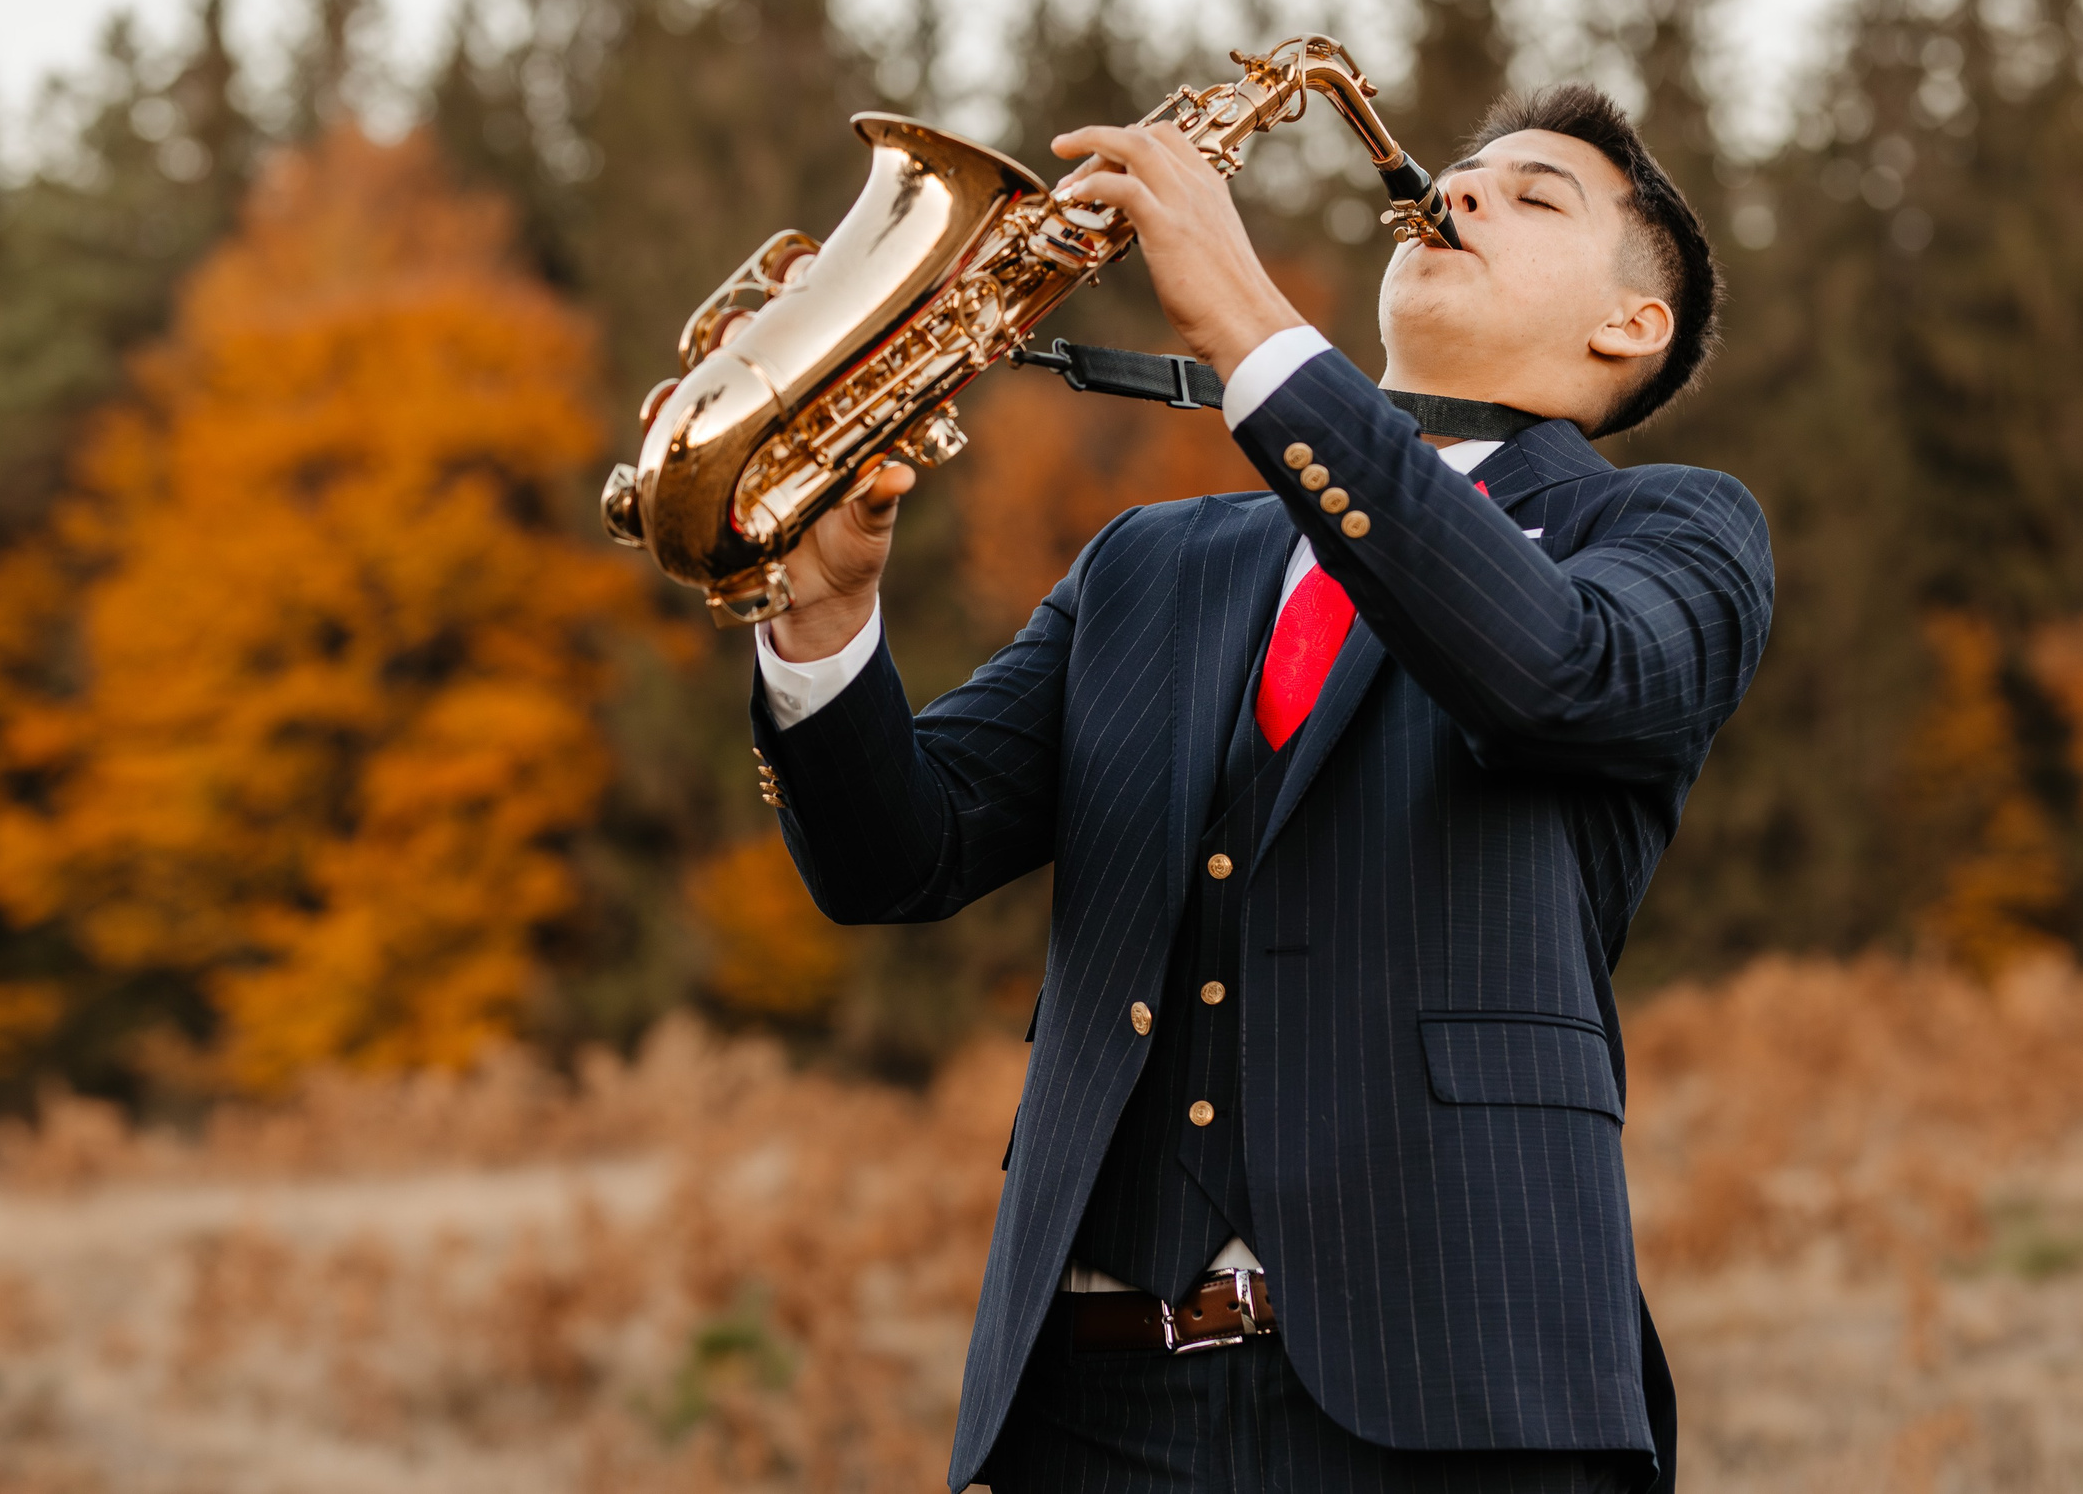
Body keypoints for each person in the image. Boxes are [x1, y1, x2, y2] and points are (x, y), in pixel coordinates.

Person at [746, 83, 1773, 1493]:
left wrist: (1250, 327)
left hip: (1466, 1399)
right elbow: (893, 859)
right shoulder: (1146, 564)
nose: (1461, 193)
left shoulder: (1671, 529)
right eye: (1461, 175)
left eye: (1535, 196)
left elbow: (1553, 673)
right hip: (1093, 1405)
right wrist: (824, 625)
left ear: (1630, 327)